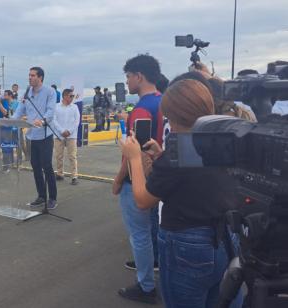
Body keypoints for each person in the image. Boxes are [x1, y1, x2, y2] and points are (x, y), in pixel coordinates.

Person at [120, 79, 243, 308]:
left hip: (187, 243)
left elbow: (143, 200)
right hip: (225, 238)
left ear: (174, 116)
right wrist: (160, 157)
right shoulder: (222, 142)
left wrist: (135, 158)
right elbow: (194, 180)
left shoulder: (178, 152)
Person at [112, 54, 164, 304]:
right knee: (152, 227)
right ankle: (154, 263)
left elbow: (134, 151)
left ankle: (145, 286)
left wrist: (119, 179)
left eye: (128, 76)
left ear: (138, 76)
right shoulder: (165, 101)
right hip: (160, 174)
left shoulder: (142, 108)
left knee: (139, 234)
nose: (128, 81)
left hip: (139, 180)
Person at [12, 67, 58, 209]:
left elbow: (50, 111)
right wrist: (10, 121)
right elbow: (20, 110)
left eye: (32, 75)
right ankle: (41, 196)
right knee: (36, 167)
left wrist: (43, 120)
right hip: (32, 136)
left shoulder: (50, 92)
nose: (29, 78)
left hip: (45, 134)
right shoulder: (26, 93)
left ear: (40, 78)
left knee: (47, 166)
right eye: (29, 75)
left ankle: (52, 198)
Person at [53, 89, 80, 185]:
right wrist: (61, 131)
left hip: (71, 136)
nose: (72, 98)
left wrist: (69, 131)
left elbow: (77, 121)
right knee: (59, 156)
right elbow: (54, 120)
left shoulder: (75, 107)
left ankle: (74, 176)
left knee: (72, 156)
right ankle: (60, 174)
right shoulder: (56, 107)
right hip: (58, 135)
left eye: (73, 96)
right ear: (64, 96)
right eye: (71, 96)